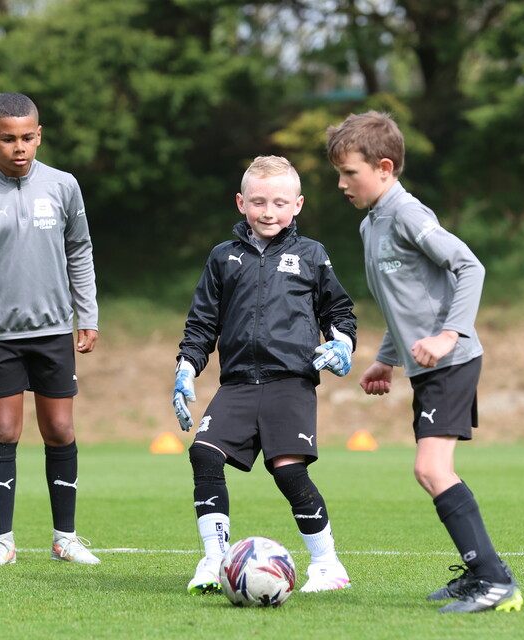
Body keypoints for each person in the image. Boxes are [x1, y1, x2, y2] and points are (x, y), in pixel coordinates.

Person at [325, 111, 523, 613]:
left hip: (451, 362)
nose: (341, 184)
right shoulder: (371, 225)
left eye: (349, 173)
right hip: (428, 367)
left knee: (431, 469)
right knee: (431, 470)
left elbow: (469, 266)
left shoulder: (408, 214)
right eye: (338, 173)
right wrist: (385, 360)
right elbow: (404, 304)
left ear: (384, 168)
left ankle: (493, 581)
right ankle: (482, 574)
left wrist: (449, 334)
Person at [173, 155, 357, 595]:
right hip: (237, 383)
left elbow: (339, 313)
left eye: (279, 203)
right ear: (241, 203)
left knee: (288, 472)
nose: (268, 212)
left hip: (290, 381)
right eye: (258, 202)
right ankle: (215, 560)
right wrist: (185, 369)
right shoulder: (223, 257)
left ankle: (328, 565)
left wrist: (343, 346)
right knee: (204, 455)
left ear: (297, 205)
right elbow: (201, 325)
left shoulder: (312, 254)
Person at [0, 92, 100, 567]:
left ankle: (65, 539)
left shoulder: (64, 186)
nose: (19, 147)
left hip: (53, 331)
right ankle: (2, 542)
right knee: (3, 430)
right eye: (8, 139)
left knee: (60, 429)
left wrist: (88, 315)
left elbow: (80, 251)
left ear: (39, 135)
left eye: (28, 138)